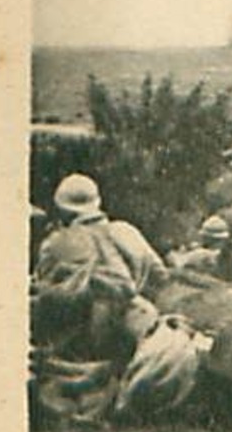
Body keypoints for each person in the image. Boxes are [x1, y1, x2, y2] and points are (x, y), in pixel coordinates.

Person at [31, 174, 205, 419]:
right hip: (134, 331)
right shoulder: (127, 231)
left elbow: (46, 298)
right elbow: (160, 277)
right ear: (98, 202)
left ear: (60, 209)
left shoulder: (57, 242)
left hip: (86, 341)